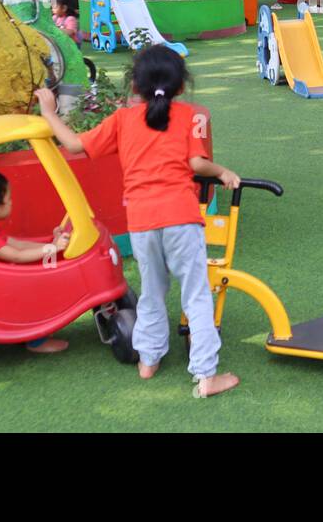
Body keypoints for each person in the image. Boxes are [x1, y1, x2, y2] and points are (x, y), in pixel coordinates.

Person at [34, 45, 241, 398]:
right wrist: (223, 171)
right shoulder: (189, 115)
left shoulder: (122, 120)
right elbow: (196, 165)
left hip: (142, 222)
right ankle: (206, 376)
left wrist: (49, 113)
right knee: (196, 297)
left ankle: (149, 360)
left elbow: (73, 145)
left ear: (135, 86)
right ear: (180, 86)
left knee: (152, 292)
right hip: (180, 218)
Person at [0, 170, 71, 353]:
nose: (11, 202)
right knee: (33, 291)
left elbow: (18, 245)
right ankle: (36, 342)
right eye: (9, 198)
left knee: (35, 280)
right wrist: (53, 249)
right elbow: (16, 256)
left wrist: (50, 242)